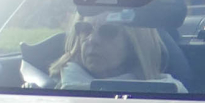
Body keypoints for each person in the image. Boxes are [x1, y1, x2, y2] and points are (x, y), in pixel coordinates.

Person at [48, 19, 177, 90]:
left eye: (108, 31)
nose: (92, 40)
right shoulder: (49, 89)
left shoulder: (170, 91)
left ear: (134, 43)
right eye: (85, 29)